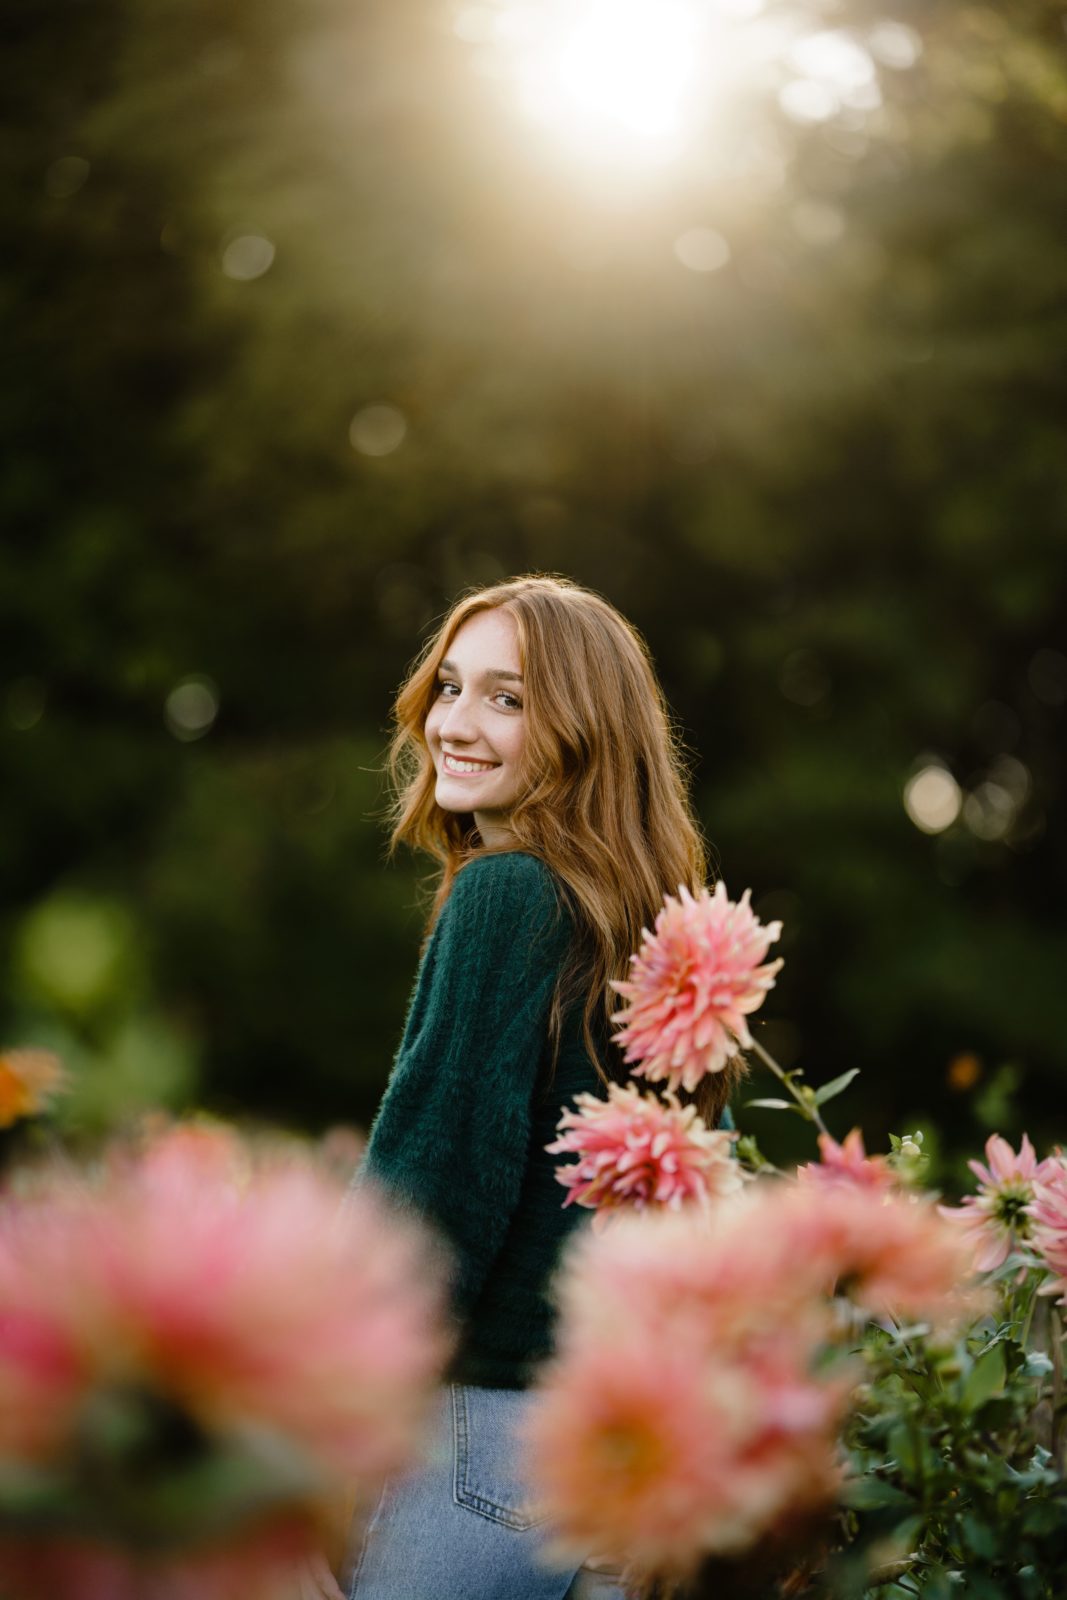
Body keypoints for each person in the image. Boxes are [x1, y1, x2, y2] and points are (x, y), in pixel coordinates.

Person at [339, 575, 739, 1600]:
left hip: (472, 1443)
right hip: (605, 1463)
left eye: (506, 699)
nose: (455, 725)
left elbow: (432, 1186)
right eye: (450, 688)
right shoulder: (663, 938)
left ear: (580, 728)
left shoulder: (505, 895)